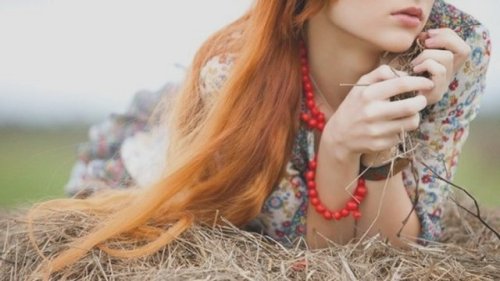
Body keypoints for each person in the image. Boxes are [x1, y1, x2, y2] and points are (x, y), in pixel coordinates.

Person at [32, 0, 491, 277]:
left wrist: (385, 143)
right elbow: (311, 257)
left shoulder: (455, 47)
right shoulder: (230, 77)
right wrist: (335, 149)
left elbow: (398, 254)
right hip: (162, 143)